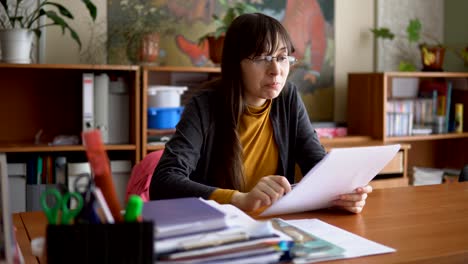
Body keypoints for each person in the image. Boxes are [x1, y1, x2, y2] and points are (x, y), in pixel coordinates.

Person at [149, 13, 372, 214]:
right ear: (236, 64)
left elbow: (317, 165)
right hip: (218, 226)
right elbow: (164, 182)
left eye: (283, 57)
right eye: (262, 58)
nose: (276, 70)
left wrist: (345, 195)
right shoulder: (205, 105)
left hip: (272, 223)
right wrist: (238, 199)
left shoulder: (287, 98)